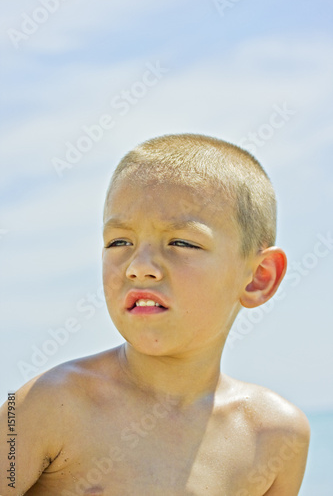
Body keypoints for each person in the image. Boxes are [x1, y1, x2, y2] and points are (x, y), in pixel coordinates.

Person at [0, 134, 310, 495]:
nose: (139, 267)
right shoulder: (46, 405)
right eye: (119, 242)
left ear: (259, 277)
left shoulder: (276, 436)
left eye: (181, 243)